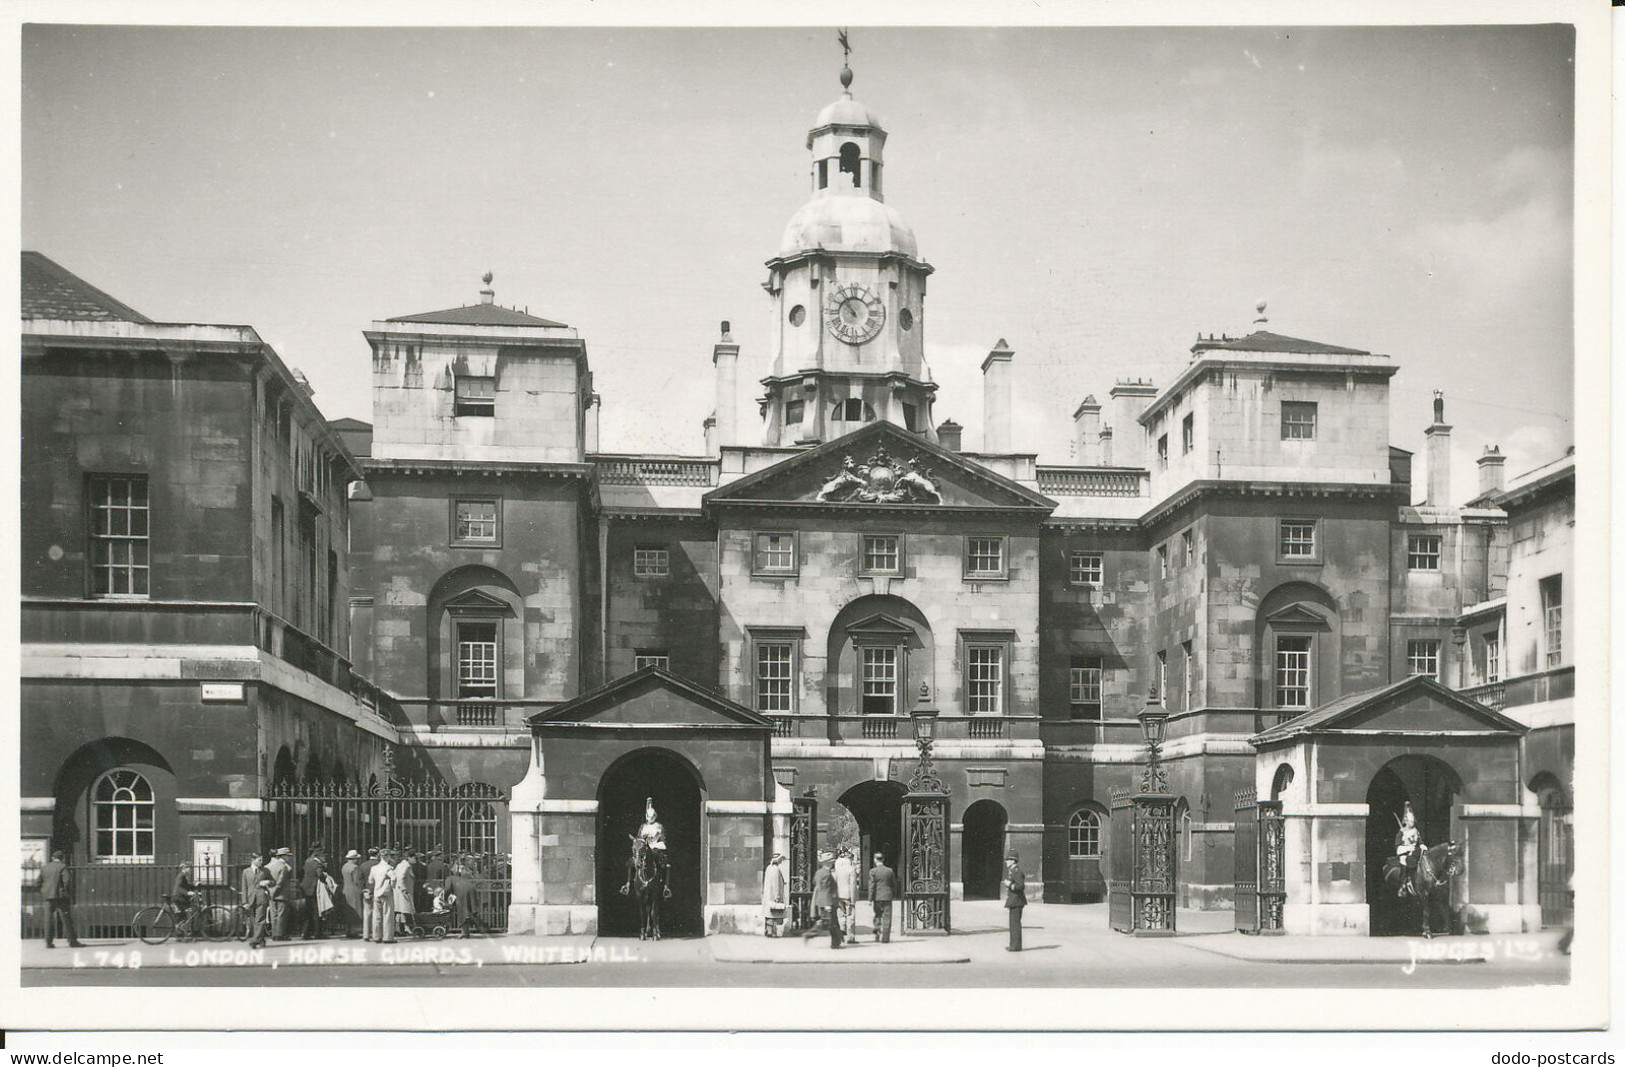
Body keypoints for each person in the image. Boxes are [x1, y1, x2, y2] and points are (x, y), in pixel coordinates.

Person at [40, 850, 84, 949]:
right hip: (60, 897)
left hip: (48, 897)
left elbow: (38, 882)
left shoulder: (45, 867)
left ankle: (48, 942)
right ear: (62, 858)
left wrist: (44, 891)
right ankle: (72, 941)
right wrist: (65, 891)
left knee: (48, 920)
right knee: (66, 920)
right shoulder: (63, 866)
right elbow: (67, 881)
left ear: (52, 858)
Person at [805, 851, 841, 948]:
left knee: (833, 922)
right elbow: (824, 889)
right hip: (827, 901)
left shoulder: (819, 872)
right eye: (831, 861)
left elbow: (816, 884)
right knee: (827, 923)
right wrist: (827, 904)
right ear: (827, 862)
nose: (833, 862)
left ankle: (836, 942)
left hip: (825, 901)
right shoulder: (826, 873)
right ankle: (809, 934)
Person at [299, 845, 327, 940]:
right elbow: (320, 875)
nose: (323, 856)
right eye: (322, 854)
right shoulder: (317, 863)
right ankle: (318, 933)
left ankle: (305, 933)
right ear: (317, 854)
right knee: (316, 912)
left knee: (308, 912)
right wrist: (325, 873)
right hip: (314, 889)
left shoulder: (307, 861)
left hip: (306, 888)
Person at [1394, 803, 1422, 898]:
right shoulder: (1401, 833)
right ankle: (1402, 887)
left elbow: (1420, 841)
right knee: (1405, 864)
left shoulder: (1416, 831)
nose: (1412, 823)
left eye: (1413, 821)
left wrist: (1422, 845)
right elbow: (1397, 847)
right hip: (1404, 853)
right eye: (1410, 821)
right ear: (1406, 821)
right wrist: (1407, 848)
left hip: (1415, 852)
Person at [266, 847, 294, 940]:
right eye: (288, 856)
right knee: (281, 914)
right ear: (283, 856)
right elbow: (280, 881)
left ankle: (274, 934)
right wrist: (276, 891)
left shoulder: (268, 866)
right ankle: (279, 935)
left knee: (273, 914)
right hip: (281, 894)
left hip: (271, 893)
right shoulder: (283, 866)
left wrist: (271, 892)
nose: (289, 858)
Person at [868, 852, 896, 944]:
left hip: (877, 897)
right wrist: (894, 894)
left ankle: (877, 932)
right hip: (887, 896)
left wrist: (870, 899)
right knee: (887, 917)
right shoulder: (890, 871)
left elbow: (872, 886)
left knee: (877, 915)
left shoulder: (873, 871)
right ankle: (885, 938)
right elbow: (893, 884)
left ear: (875, 860)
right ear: (883, 859)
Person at [369, 849, 397, 943]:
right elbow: (393, 878)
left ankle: (376, 936)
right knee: (387, 914)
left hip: (376, 892)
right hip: (386, 893)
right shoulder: (388, 868)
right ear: (388, 857)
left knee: (377, 916)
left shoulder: (374, 868)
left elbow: (370, 881)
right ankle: (388, 937)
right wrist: (392, 886)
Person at [245, 866, 274, 950]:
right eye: (259, 860)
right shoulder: (246, 871)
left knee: (260, 920)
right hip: (251, 898)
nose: (261, 862)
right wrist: (244, 901)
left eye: (261, 859)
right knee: (254, 921)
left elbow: (273, 882)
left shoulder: (265, 871)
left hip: (261, 898)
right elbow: (244, 886)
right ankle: (261, 940)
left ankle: (254, 941)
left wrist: (267, 882)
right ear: (253, 860)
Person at [1003, 850, 1026, 952]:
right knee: (1013, 924)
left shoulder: (1017, 872)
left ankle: (1015, 946)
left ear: (1013, 861)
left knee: (1015, 924)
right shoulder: (1013, 871)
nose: (1006, 861)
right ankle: (1014, 945)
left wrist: (1009, 885)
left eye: (1008, 860)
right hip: (1015, 901)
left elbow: (1020, 886)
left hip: (1016, 901)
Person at [761, 852, 789, 937]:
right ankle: (774, 932)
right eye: (781, 860)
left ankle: (769, 931)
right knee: (775, 914)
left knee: (769, 914)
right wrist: (777, 896)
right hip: (774, 895)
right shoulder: (776, 869)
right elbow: (776, 884)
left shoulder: (769, 868)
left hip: (768, 895)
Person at [393, 847, 417, 938]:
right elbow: (400, 877)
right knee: (405, 910)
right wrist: (403, 888)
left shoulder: (400, 865)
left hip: (398, 891)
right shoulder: (406, 866)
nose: (415, 859)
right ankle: (405, 927)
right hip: (404, 891)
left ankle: (398, 928)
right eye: (414, 857)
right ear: (409, 858)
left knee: (400, 910)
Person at [833, 848, 857, 940]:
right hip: (848, 895)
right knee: (850, 915)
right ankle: (851, 937)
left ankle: (841, 933)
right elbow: (853, 885)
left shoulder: (837, 870)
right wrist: (853, 899)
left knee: (841, 914)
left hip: (839, 895)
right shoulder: (851, 870)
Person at [358, 846, 380, 941]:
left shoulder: (363, 865)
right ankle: (376, 935)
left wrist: (364, 889)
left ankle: (366, 935)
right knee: (376, 914)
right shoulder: (379, 865)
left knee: (367, 913)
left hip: (366, 891)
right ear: (378, 854)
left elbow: (359, 879)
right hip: (376, 890)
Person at [341, 850, 363, 938]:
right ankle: (354, 931)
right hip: (354, 889)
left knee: (348, 910)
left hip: (346, 888)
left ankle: (348, 929)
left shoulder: (344, 866)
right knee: (355, 909)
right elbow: (356, 881)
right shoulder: (355, 867)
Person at [171, 863, 197, 935]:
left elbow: (185, 885)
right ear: (184, 869)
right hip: (179, 897)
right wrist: (188, 893)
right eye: (188, 868)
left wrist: (194, 886)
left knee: (184, 914)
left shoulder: (183, 876)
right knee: (187, 911)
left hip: (180, 897)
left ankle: (181, 930)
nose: (190, 870)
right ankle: (182, 930)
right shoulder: (181, 876)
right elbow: (179, 888)